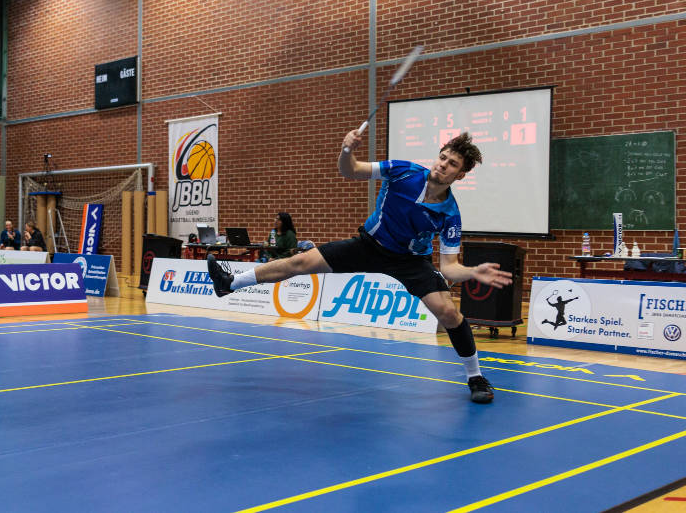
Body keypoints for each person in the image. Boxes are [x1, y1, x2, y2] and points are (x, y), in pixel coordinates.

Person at [207, 128, 513, 404]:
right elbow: (350, 170)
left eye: (452, 164)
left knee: (448, 312)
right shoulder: (403, 171)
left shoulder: (450, 214)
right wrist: (347, 150)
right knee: (300, 261)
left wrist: (472, 272)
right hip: (369, 245)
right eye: (442, 157)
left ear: (461, 175)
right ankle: (229, 283)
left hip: (410, 261)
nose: (443, 165)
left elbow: (449, 267)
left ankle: (475, 377)